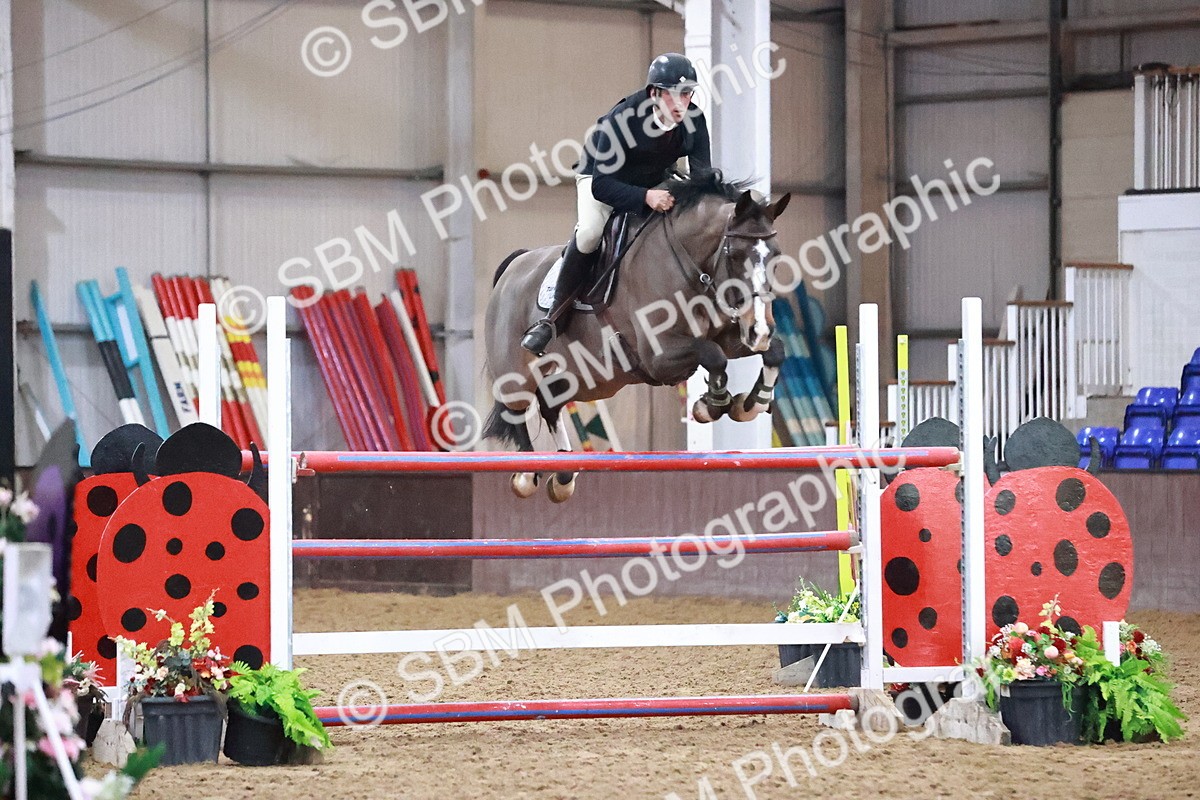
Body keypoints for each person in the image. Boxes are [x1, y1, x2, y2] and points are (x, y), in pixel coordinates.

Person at [520, 52, 713, 355]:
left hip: (655, 178)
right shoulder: (624, 120)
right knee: (590, 232)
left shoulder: (694, 120)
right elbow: (602, 186)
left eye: (687, 94)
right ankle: (552, 317)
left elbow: (703, 179)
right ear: (654, 93)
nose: (681, 103)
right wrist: (645, 197)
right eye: (674, 94)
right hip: (602, 178)